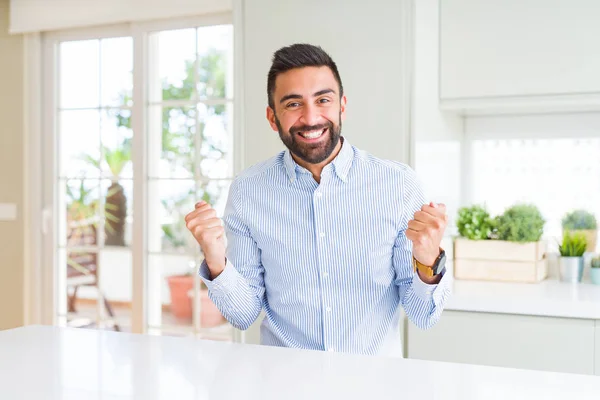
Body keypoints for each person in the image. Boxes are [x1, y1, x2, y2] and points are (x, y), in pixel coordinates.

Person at [185, 43, 451, 357]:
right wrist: (216, 258)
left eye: (323, 100)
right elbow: (243, 315)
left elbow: (424, 315)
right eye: (293, 104)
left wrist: (428, 260)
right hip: (283, 382)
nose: (311, 118)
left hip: (373, 384)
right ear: (273, 118)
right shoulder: (248, 191)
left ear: (342, 107)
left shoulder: (399, 185)